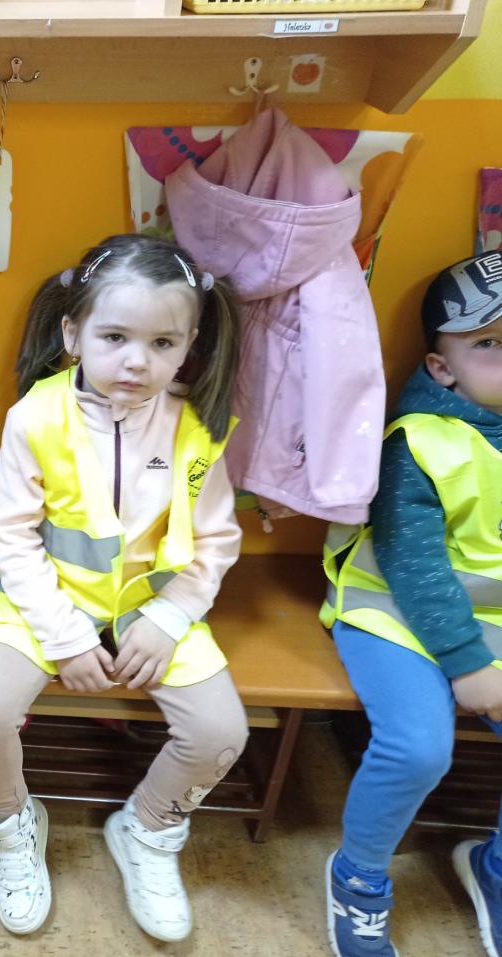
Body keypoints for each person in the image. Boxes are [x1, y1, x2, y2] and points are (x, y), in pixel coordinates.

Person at [0, 234, 246, 939]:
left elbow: (215, 541)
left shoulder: (196, 429)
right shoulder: (35, 418)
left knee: (220, 733)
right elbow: (11, 538)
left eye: (162, 342)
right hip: (44, 605)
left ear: (189, 346)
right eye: (115, 337)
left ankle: (147, 829)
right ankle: (13, 825)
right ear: (72, 334)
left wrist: (170, 619)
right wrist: (63, 635)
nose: (137, 361)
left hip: (155, 610)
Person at [321, 250, 502, 957]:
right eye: (489, 343)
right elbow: (414, 566)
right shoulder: (419, 440)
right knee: (419, 746)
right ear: (440, 367)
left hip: (488, 623)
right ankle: (359, 877)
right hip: (392, 616)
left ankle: (493, 869)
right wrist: (468, 664)